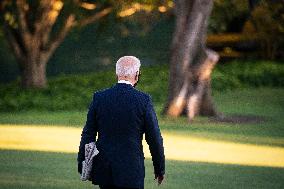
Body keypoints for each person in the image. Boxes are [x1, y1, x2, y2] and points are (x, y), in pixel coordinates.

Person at [77, 56, 165, 189]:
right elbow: (154, 138)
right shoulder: (144, 100)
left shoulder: (99, 98)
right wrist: (159, 168)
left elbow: (88, 135)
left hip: (105, 170)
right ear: (136, 74)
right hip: (132, 170)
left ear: (117, 73)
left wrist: (83, 164)